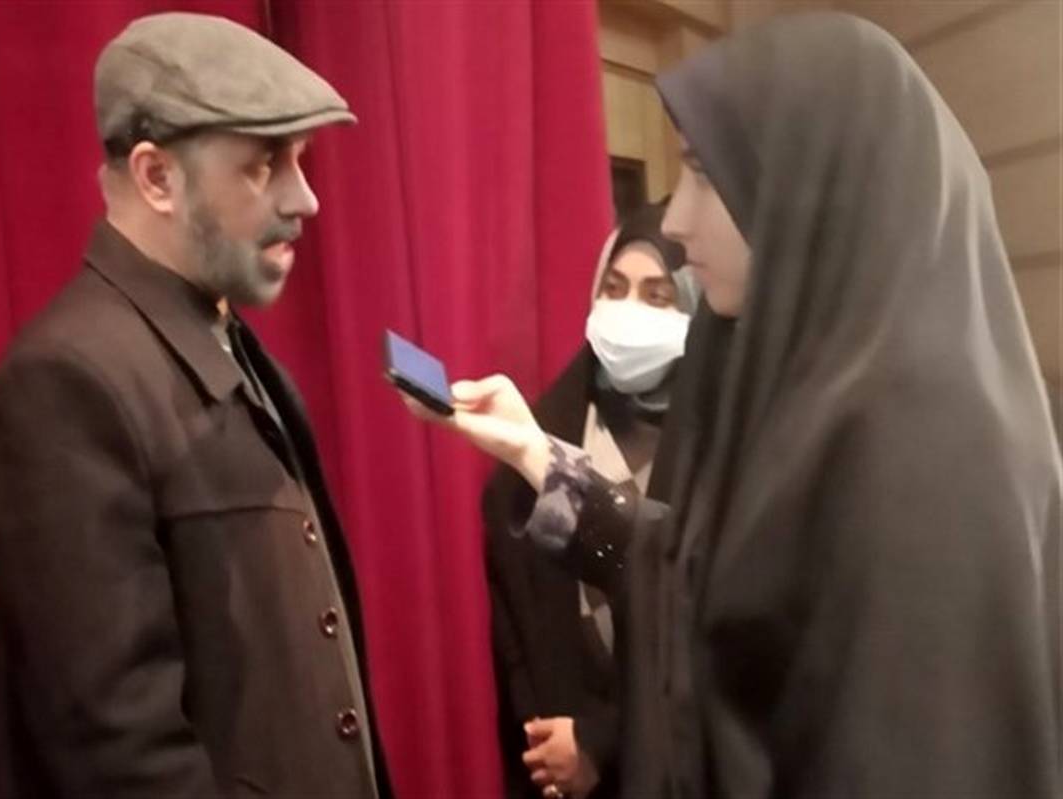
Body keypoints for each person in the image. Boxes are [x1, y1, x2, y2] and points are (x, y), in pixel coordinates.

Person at [402, 12, 1062, 798]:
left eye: (704, 173)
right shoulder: (815, 393)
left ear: (812, 182)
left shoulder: (925, 446)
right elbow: (685, 576)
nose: (676, 221)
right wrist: (537, 454)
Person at [0, 13, 390, 798]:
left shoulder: (230, 345)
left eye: (299, 159)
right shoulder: (64, 383)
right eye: (264, 165)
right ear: (157, 177)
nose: (306, 199)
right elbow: (119, 751)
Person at [485, 199, 699, 799]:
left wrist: (602, 743)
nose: (629, 310)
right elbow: (514, 620)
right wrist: (550, 742)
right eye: (615, 288)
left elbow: (700, 624)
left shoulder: (722, 444)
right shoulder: (548, 430)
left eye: (658, 295)